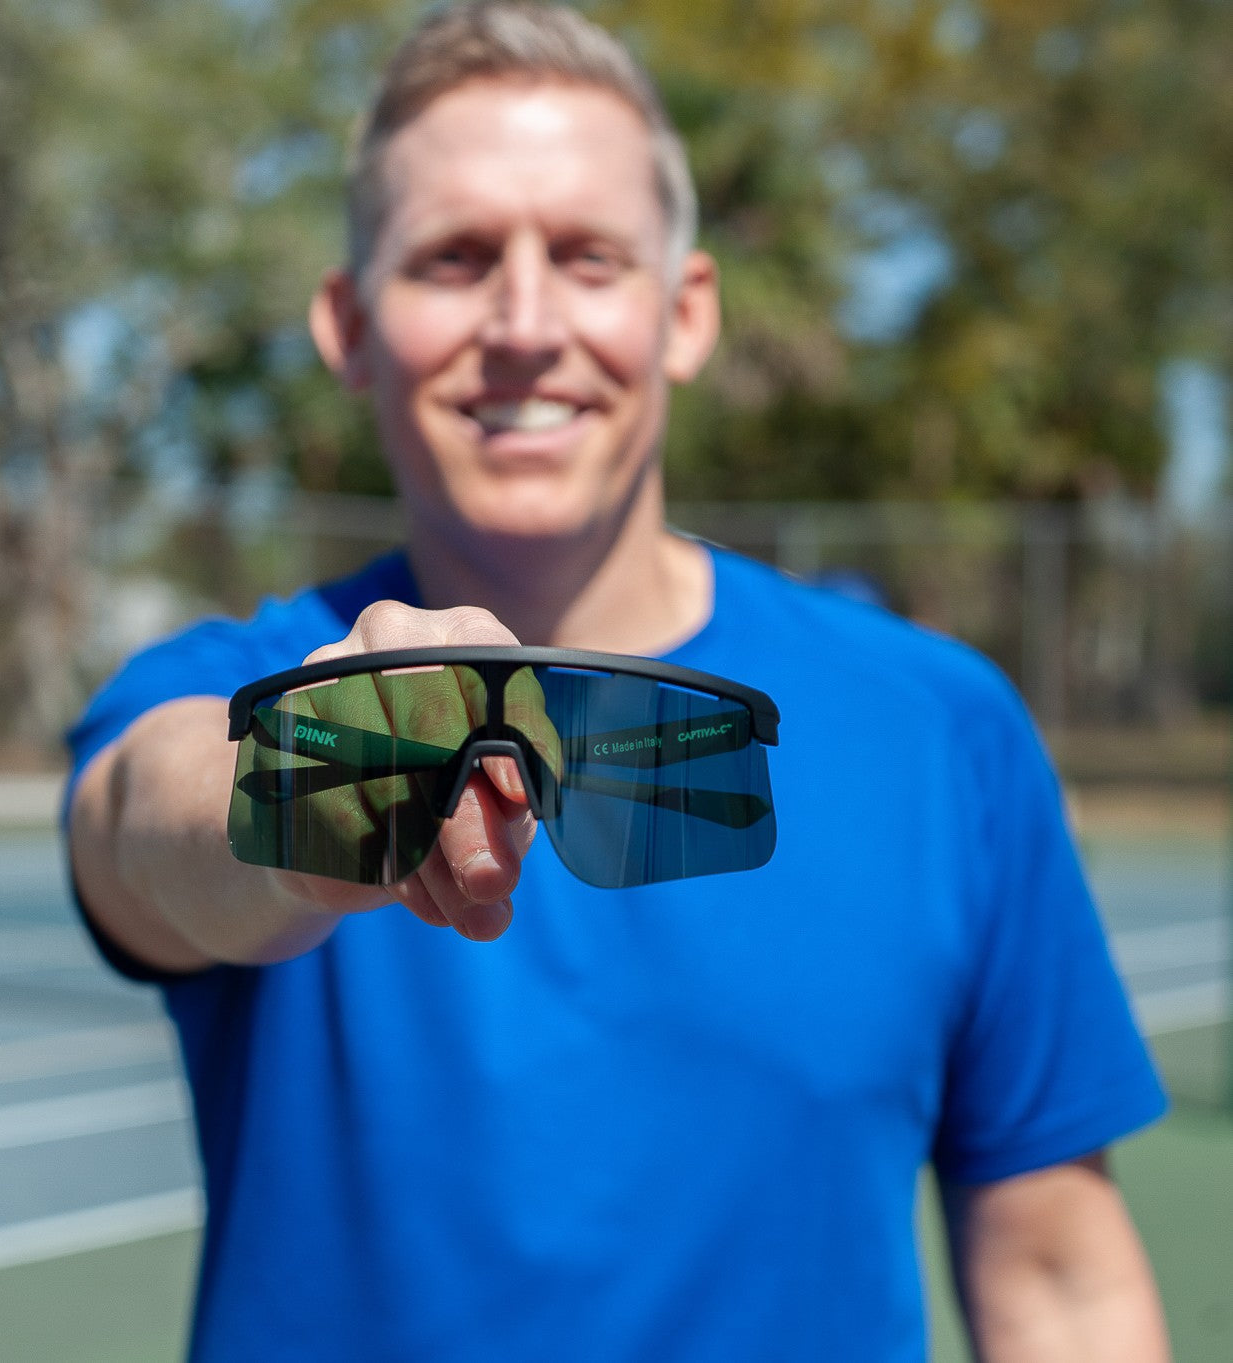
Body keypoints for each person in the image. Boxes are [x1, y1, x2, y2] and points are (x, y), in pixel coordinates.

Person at [65, 5, 1171, 1359]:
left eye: (586, 257)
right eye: (456, 259)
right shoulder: (248, 691)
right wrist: (311, 787)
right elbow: (140, 831)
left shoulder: (942, 727)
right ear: (350, 328)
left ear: (683, 311)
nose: (524, 325)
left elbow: (1059, 1276)